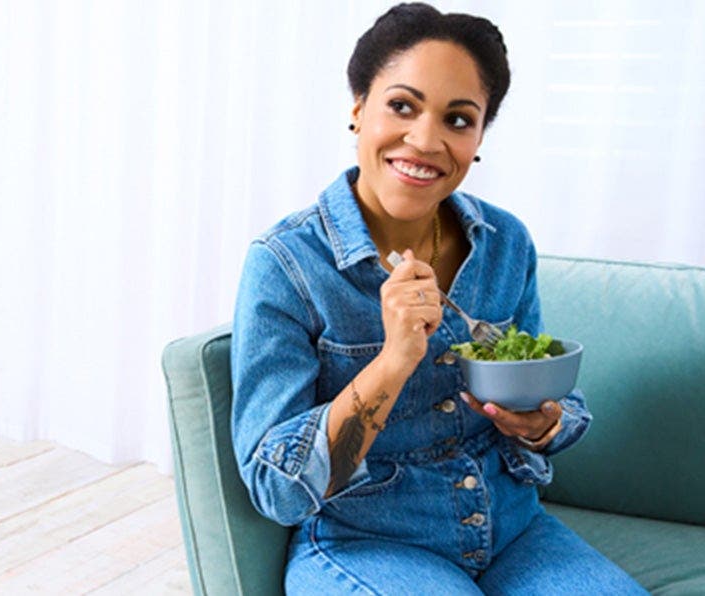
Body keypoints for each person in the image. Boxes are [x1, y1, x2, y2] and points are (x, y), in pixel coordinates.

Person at [230, 3, 647, 594]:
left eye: (458, 119)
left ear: (479, 137)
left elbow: (561, 404)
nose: (425, 140)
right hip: (370, 543)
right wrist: (394, 359)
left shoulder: (505, 244)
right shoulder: (287, 264)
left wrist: (540, 422)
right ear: (358, 110)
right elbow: (276, 486)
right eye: (402, 106)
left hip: (516, 532)